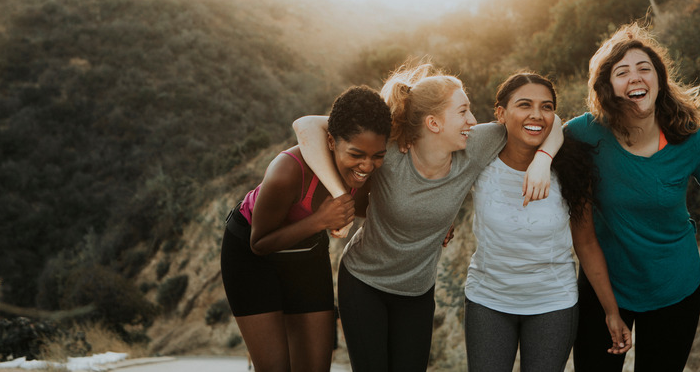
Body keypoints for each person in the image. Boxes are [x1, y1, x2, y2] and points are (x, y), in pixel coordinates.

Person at [292, 63, 563, 371]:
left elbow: (547, 122)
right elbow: (306, 126)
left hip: (417, 292)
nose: (473, 121)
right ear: (433, 123)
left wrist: (543, 159)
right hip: (364, 282)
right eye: (463, 112)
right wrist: (340, 195)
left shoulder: (475, 145)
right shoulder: (390, 149)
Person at [568, 23, 700, 371]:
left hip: (675, 289)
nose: (636, 77)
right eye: (622, 72)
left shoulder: (690, 140)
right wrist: (540, 160)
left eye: (645, 68)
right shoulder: (585, 133)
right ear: (607, 86)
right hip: (604, 288)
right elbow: (543, 131)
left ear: (659, 79)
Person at [463, 73, 631, 372]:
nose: (536, 115)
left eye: (547, 106)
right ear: (500, 113)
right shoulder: (479, 156)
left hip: (553, 304)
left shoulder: (571, 169)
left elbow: (587, 242)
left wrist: (611, 311)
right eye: (524, 105)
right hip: (487, 300)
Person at [220, 86, 392, 372]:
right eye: (357, 154)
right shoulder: (287, 171)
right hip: (250, 257)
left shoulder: (365, 173)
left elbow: (377, 208)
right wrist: (320, 221)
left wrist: (437, 223)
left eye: (377, 156)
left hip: (306, 254)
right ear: (331, 141)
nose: (367, 165)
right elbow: (259, 243)